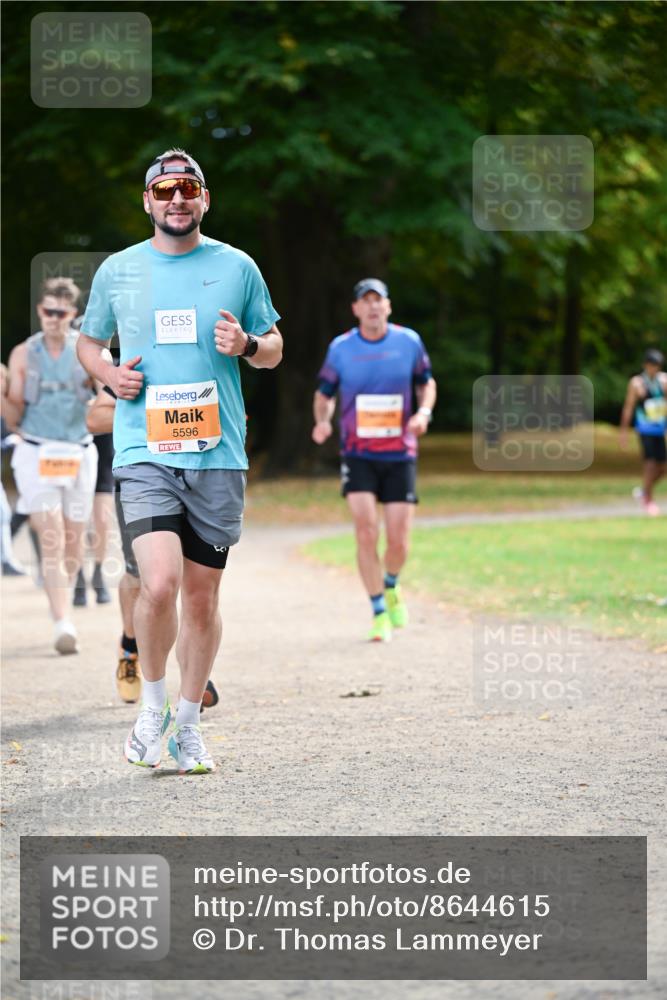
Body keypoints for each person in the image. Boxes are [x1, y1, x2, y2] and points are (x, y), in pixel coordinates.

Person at [77, 148, 282, 774]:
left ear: (204, 199)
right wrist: (110, 374)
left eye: (187, 189)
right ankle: (152, 708)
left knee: (200, 598)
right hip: (144, 451)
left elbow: (273, 348)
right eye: (163, 190)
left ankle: (188, 726)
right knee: (158, 583)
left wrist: (247, 344)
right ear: (147, 201)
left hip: (217, 455)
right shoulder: (118, 271)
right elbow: (89, 342)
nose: (176, 200)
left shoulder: (237, 266)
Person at [312, 278, 437, 642]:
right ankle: (379, 610)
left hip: (400, 453)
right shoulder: (341, 349)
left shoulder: (408, 342)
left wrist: (424, 413)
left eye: (377, 301)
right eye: (364, 302)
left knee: (398, 541)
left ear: (388, 306)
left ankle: (391, 583)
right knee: (366, 531)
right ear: (355, 309)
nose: (372, 307)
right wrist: (322, 421)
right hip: (358, 453)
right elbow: (324, 393)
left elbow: (426, 382)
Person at [86, 383, 220, 714]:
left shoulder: (203, 360)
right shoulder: (139, 361)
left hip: (200, 475)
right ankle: (131, 645)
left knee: (195, 582)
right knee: (145, 577)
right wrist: (157, 413)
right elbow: (95, 417)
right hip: (143, 478)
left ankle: (191, 672)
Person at [2, 278, 97, 653]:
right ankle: (62, 622)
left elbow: (106, 395)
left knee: (74, 542)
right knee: (52, 534)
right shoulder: (24, 355)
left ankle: (63, 600)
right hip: (36, 452)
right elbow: (13, 417)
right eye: (47, 311)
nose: (53, 318)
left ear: (72, 315)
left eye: (61, 312)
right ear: (39, 311)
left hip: (78, 451)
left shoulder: (87, 351)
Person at [620, 348, 666, 516]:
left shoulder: (663, 381)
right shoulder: (637, 383)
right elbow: (628, 407)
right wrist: (624, 431)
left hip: (660, 429)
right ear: (645, 365)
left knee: (662, 468)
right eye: (652, 365)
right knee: (650, 464)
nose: (655, 369)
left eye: (657, 366)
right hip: (645, 428)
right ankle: (649, 500)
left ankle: (643, 491)